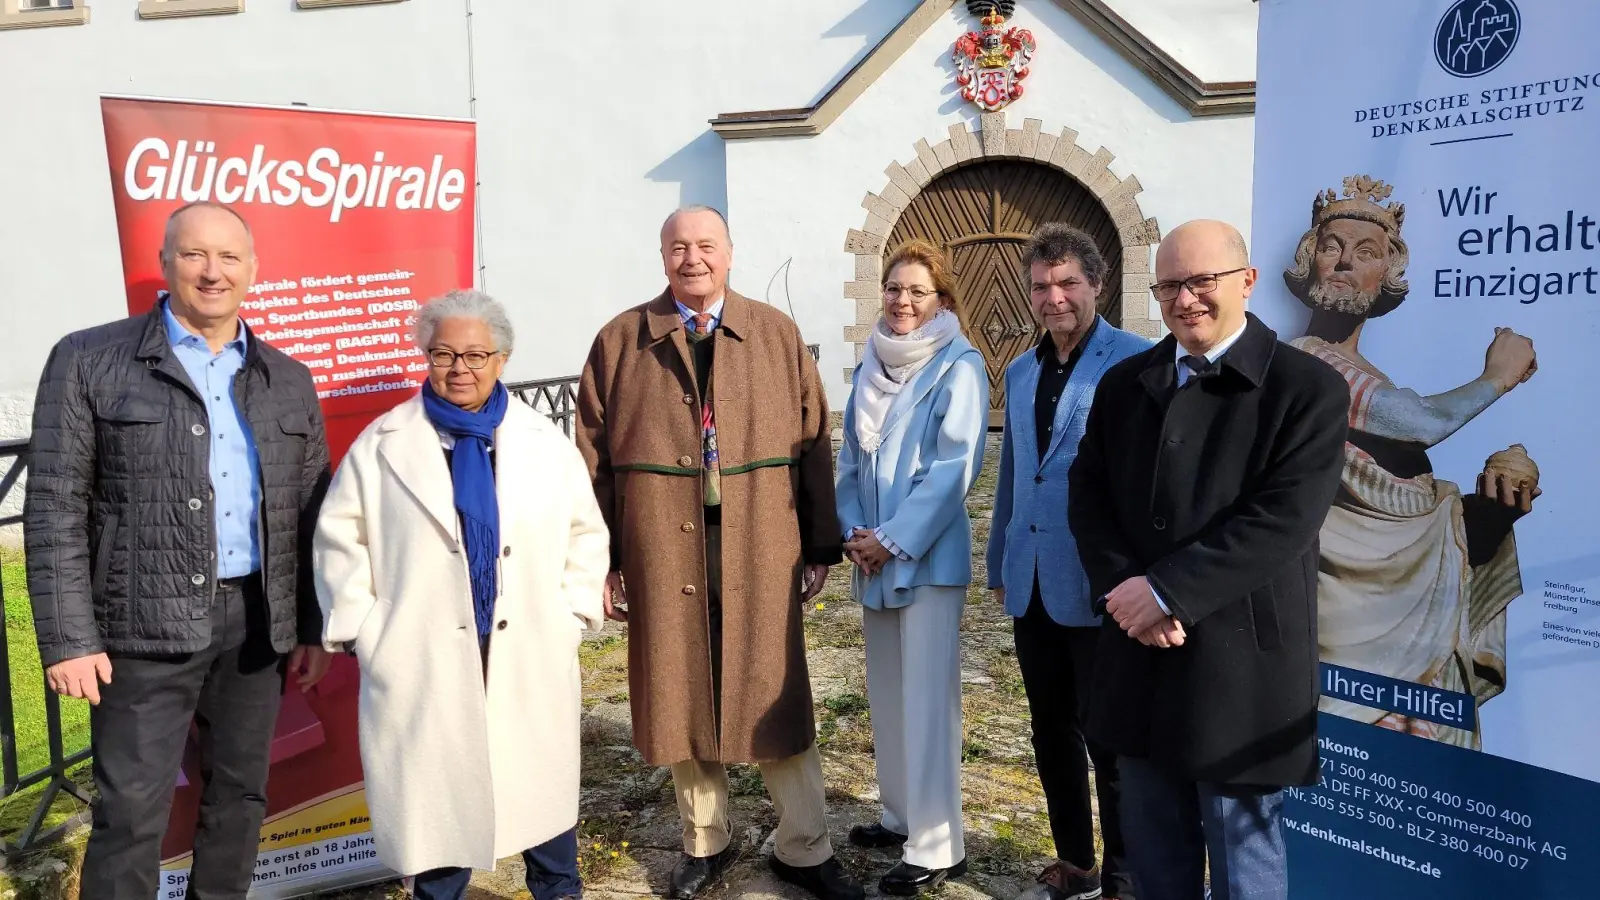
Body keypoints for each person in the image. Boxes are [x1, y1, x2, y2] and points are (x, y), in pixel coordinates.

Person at [22, 201, 333, 900]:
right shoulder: (89, 361)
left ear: (253, 272)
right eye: (194, 254)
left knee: (240, 799)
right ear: (165, 265)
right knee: (131, 815)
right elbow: (54, 505)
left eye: (229, 257)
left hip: (256, 627)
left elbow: (310, 514)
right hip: (140, 627)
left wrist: (311, 627)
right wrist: (69, 638)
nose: (212, 272)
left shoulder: (288, 377)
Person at [576, 206, 862, 900]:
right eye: (678, 246)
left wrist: (820, 541)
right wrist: (603, 560)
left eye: (705, 245)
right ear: (662, 255)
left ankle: (804, 844)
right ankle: (704, 839)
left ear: (730, 253)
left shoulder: (774, 332)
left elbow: (811, 441)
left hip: (762, 539)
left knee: (775, 688)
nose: (692, 258)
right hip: (659, 545)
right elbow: (591, 462)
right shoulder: (620, 341)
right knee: (680, 688)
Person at [1066, 220, 1349, 900]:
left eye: (1202, 282)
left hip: (1239, 673)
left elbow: (1282, 518)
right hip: (1140, 659)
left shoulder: (1307, 389)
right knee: (1156, 862)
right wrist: (1126, 591)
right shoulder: (1126, 383)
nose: (1184, 299)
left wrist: (1166, 591)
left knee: (1244, 867)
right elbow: (1088, 494)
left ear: (1246, 282)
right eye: (1169, 285)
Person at [312, 290, 608, 899]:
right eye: (444, 353)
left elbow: (585, 529)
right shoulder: (383, 443)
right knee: (438, 807)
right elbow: (341, 536)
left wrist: (571, 612)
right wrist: (367, 629)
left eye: (476, 355)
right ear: (425, 356)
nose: (460, 369)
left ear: (503, 359)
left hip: (525, 642)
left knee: (541, 799)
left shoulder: (542, 442)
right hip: (422, 650)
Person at [1284, 176, 1539, 749]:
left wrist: (1490, 512)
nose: (1345, 261)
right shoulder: (1304, 366)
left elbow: (1400, 503)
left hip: (1414, 613)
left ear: (1387, 275)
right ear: (1309, 260)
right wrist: (1498, 376)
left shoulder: (1372, 380)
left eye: (1366, 251)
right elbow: (1422, 422)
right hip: (1348, 625)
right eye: (1331, 246)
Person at [986, 224, 1150, 900]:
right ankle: (1076, 863)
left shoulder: (1135, 361)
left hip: (1101, 586)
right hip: (1031, 580)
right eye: (1041, 286)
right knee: (1049, 730)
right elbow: (1015, 475)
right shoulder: (1021, 370)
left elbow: (1144, 484)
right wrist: (1000, 560)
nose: (1054, 298)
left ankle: (1124, 877)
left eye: (1067, 284)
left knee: (1109, 739)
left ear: (1097, 285)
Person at [834, 239, 987, 896]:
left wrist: (892, 539)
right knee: (888, 693)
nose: (902, 301)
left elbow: (953, 470)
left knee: (928, 700)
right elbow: (848, 460)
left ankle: (936, 844)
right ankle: (899, 814)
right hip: (870, 556)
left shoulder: (959, 367)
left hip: (925, 560)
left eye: (917, 291)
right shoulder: (870, 362)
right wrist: (852, 532)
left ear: (941, 300)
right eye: (895, 289)